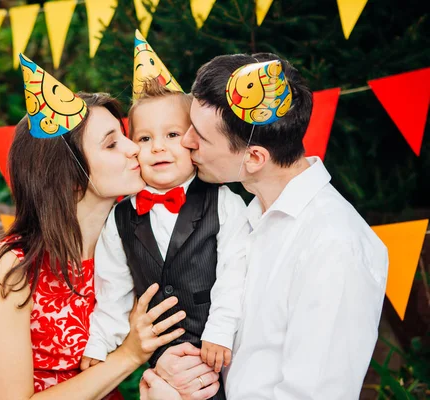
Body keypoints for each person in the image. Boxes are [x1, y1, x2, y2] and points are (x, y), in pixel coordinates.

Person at [143, 53, 389, 399]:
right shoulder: (245, 213)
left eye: (200, 135)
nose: (184, 141)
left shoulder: (334, 245)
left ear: (254, 158)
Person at [0, 54, 188, 400]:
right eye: (111, 143)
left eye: (124, 136)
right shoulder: (13, 264)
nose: (135, 148)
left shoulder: (141, 235)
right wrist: (129, 355)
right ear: (69, 176)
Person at [80, 79, 249, 400]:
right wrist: (100, 343)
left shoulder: (225, 201)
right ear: (133, 148)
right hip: (164, 366)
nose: (158, 147)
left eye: (172, 135)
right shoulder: (119, 218)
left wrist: (220, 331)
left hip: (223, 350)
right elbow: (112, 290)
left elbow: (235, 273)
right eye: (145, 138)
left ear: (194, 141)